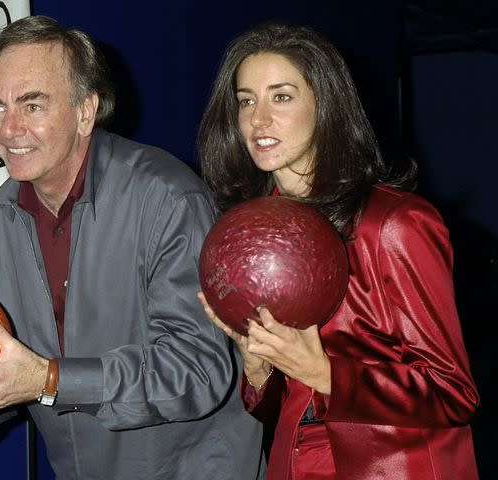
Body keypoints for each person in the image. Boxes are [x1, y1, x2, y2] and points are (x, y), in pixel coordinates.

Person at [0, 15, 266, 480]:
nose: (7, 129)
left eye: (32, 105)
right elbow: (9, 382)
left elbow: (199, 370)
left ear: (86, 111)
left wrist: (50, 379)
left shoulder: (166, 197)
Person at [197, 22, 480, 480]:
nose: (258, 119)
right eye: (246, 100)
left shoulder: (394, 224)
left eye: (281, 96)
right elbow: (281, 409)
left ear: (324, 106)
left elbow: (453, 394)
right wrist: (258, 368)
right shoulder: (254, 235)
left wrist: (326, 373)